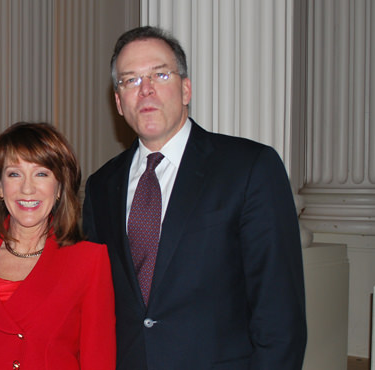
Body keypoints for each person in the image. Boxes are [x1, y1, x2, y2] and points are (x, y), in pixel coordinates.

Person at [82, 26, 307, 370]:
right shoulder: (101, 186)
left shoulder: (249, 168)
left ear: (186, 88)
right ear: (118, 101)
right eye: (130, 80)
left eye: (159, 74)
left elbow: (279, 314)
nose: (146, 90)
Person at [0, 122, 116, 370]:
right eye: (14, 174)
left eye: (41, 173)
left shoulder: (89, 261)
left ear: (60, 187)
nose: (27, 188)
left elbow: (98, 361)